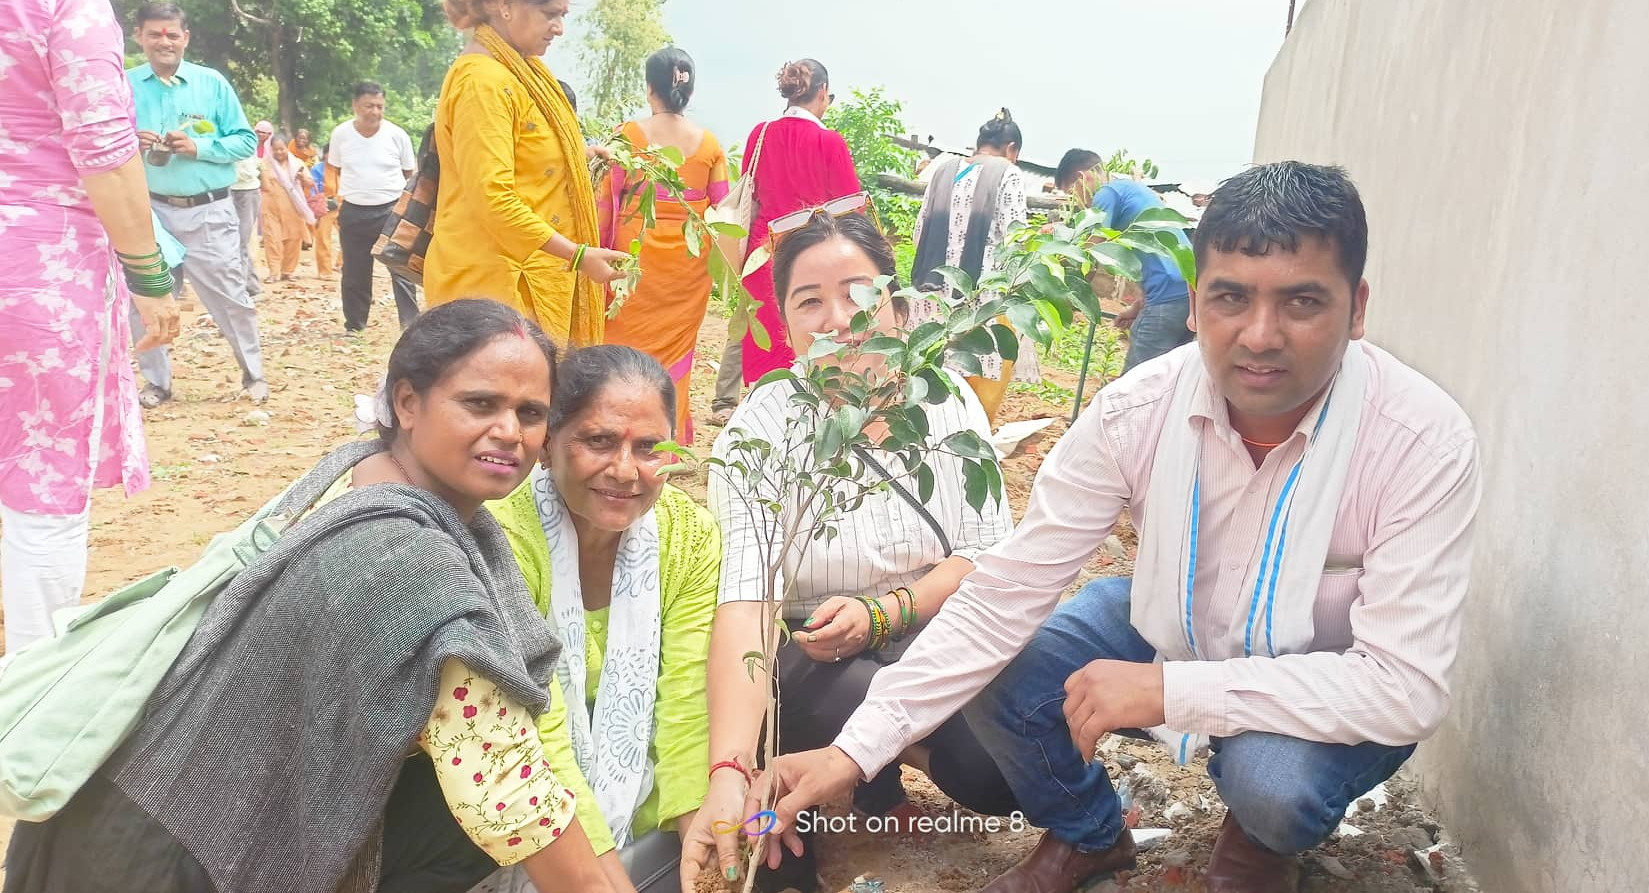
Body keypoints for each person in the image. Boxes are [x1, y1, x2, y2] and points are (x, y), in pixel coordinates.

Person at [749, 163, 1482, 893]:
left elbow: (1404, 687)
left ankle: (1259, 841)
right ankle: (1090, 835)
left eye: (1301, 302)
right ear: (1194, 304)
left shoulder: (1420, 441)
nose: (1260, 335)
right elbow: (1005, 590)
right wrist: (853, 754)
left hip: (1322, 668)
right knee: (1012, 675)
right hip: (1176, 614)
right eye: (1231, 297)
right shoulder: (1136, 414)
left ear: (1356, 310)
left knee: (1273, 786)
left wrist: (1173, 692)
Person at [5, 300, 645, 893]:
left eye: (530, 413)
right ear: (408, 402)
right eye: (480, 404)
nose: (510, 432)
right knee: (482, 832)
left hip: (134, 808)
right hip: (164, 858)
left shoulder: (358, 475)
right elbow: (510, 795)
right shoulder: (410, 561)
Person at [684, 210, 1018, 893]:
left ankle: (903, 751)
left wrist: (889, 611)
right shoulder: (759, 436)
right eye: (810, 301)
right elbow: (746, 608)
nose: (837, 319)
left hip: (926, 628)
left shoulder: (945, 401)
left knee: (998, 769)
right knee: (861, 692)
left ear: (895, 307)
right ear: (784, 325)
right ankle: (855, 761)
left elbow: (987, 556)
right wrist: (727, 766)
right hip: (816, 657)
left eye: (859, 294)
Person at [473, 344, 722, 893]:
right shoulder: (502, 539)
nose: (626, 471)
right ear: (547, 446)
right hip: (525, 788)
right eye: (599, 441)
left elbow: (685, 697)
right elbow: (541, 730)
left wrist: (696, 833)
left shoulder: (687, 535)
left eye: (650, 448)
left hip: (640, 779)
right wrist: (604, 876)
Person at [0, 0, 179, 653]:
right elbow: (104, 149)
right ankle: (31, 699)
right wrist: (148, 273)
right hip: (36, 272)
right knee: (39, 480)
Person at [427, 0, 628, 348]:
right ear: (506, 4)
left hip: (522, 280)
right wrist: (576, 255)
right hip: (492, 288)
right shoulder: (483, 82)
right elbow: (494, 198)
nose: (559, 28)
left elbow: (520, 154)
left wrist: (577, 156)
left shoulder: (518, 71)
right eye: (550, 14)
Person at [126, 0, 267, 406]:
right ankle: (157, 383)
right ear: (139, 37)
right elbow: (102, 141)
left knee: (230, 297)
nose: (163, 41)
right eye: (154, 33)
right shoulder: (124, 85)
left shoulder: (212, 84)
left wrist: (199, 146)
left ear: (185, 37)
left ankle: (254, 375)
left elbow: (243, 140)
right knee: (145, 299)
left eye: (172, 33)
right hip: (149, 213)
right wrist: (130, 142)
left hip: (208, 211)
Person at [597, 48, 730, 444]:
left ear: (650, 87)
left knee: (621, 348)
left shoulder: (629, 136)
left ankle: (617, 430)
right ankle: (666, 440)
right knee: (675, 353)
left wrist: (595, 252)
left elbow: (606, 200)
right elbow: (722, 210)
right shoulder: (709, 145)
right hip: (688, 265)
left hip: (632, 257)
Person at [730, 59, 860, 398]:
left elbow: (752, 190)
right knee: (810, 355)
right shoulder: (829, 142)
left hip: (763, 257)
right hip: (812, 262)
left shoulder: (760, 134)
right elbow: (851, 210)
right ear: (822, 93)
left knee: (766, 358)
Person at [906, 107, 1037, 421]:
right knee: (971, 392)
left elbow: (917, 234)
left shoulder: (942, 169)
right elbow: (1014, 240)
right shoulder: (1008, 172)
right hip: (978, 301)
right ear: (1011, 150)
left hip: (929, 294)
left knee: (929, 381)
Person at [1056, 148, 1195, 373]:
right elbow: (1158, 258)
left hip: (1166, 299)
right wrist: (1138, 306)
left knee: (1136, 383)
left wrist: (1067, 292)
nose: (1076, 201)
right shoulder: (1132, 191)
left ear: (1083, 178)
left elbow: (1093, 250)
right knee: (1170, 380)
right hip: (1187, 296)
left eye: (1071, 192)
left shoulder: (1107, 193)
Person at [329, 79, 421, 331]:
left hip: (390, 210)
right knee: (354, 272)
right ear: (355, 105)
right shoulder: (341, 134)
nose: (375, 112)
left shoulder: (396, 135)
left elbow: (409, 174)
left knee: (400, 268)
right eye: (369, 106)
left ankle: (410, 325)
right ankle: (355, 326)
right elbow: (334, 169)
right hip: (354, 211)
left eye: (380, 106)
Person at [258, 133, 316, 283]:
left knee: (293, 240)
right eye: (275, 150)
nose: (279, 152)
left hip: (293, 209)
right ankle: (274, 273)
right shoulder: (264, 164)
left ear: (286, 148)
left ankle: (288, 271)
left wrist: (302, 178)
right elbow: (262, 185)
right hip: (270, 208)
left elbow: (310, 183)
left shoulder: (296, 163)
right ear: (271, 149)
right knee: (272, 240)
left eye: (281, 149)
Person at [231, 121, 267, 295]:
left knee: (241, 242)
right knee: (236, 242)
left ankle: (244, 288)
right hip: (229, 190)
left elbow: (247, 172)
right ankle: (250, 286)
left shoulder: (245, 140)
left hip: (247, 191)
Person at [309, 143, 339, 280]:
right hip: (325, 206)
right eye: (329, 153)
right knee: (323, 239)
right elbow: (312, 188)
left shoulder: (343, 169)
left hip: (343, 205)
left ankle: (342, 264)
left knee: (349, 238)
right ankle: (325, 271)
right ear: (325, 154)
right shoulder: (317, 169)